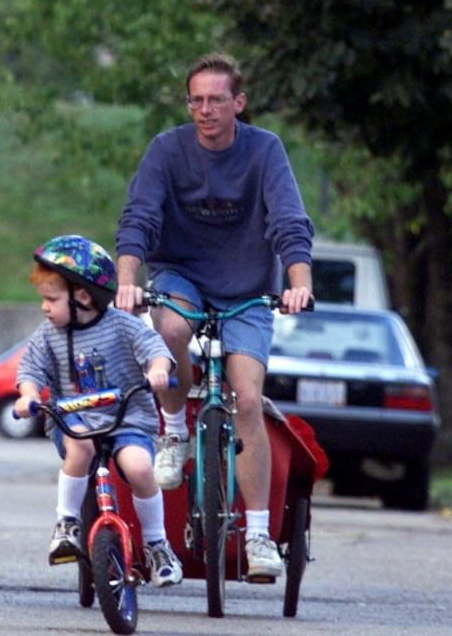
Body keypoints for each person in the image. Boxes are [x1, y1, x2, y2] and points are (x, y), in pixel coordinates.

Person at [112, 53, 314, 583]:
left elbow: (289, 220)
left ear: (238, 103)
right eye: (196, 100)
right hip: (182, 274)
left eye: (216, 99)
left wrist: (299, 285)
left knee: (247, 398)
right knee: (172, 327)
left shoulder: (265, 150)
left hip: (247, 288)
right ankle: (174, 431)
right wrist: (127, 280)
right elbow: (139, 218)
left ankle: (259, 536)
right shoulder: (167, 151)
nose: (205, 110)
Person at [14, 235, 184, 587]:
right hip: (74, 419)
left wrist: (158, 369)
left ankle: (156, 544)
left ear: (84, 297)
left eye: (51, 299)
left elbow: (155, 347)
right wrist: (27, 396)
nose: (44, 307)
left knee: (139, 468)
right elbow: (30, 370)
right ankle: (67, 524)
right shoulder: (49, 335)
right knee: (81, 447)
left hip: (127, 419)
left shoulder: (122, 325)